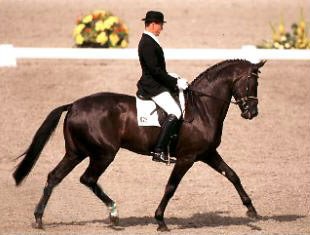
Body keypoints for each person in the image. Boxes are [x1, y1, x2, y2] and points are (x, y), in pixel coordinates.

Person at [136, 10, 188, 163]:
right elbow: (155, 71)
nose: (162, 29)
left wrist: (172, 75)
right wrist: (174, 83)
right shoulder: (147, 43)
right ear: (153, 24)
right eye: (160, 25)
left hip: (155, 81)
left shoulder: (150, 40)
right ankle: (158, 151)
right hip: (152, 86)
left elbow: (159, 69)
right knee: (175, 111)